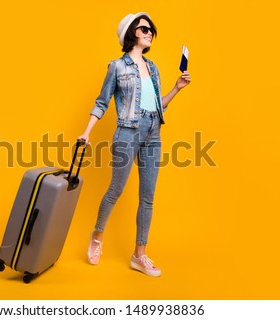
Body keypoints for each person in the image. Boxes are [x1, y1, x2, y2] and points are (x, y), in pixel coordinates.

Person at [78, 12, 191, 277]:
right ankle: (97, 235)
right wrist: (86, 132)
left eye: (151, 29)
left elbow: (157, 106)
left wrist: (176, 89)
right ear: (131, 32)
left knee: (147, 197)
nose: (149, 32)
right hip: (127, 133)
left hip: (153, 132)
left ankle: (139, 255)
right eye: (144, 28)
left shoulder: (153, 68)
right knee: (116, 190)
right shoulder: (117, 67)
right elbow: (102, 102)